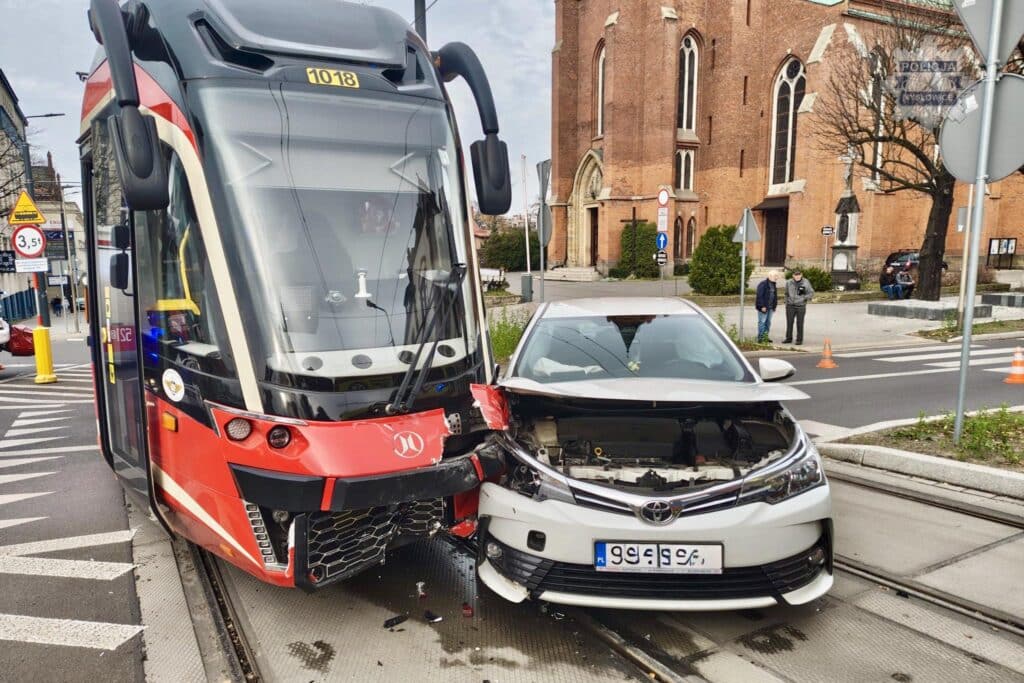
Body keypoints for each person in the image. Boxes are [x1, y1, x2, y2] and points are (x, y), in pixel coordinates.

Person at [783, 270, 814, 345]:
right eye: (795, 275)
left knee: (800, 323)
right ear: (793, 276)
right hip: (790, 306)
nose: (797, 276)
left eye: (799, 275)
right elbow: (786, 293)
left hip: (801, 306)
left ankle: (799, 340)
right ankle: (788, 338)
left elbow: (811, 293)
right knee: (789, 323)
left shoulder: (806, 282)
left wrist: (803, 298)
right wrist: (787, 302)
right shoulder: (788, 282)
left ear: (801, 275)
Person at [755, 270, 780, 343]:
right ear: (770, 276)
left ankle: (765, 337)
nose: (777, 277)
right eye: (775, 276)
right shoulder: (763, 284)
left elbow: (774, 296)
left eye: (777, 276)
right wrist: (762, 306)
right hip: (764, 307)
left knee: (768, 322)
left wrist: (774, 306)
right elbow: (759, 296)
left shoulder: (773, 284)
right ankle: (760, 338)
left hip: (771, 307)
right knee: (762, 322)